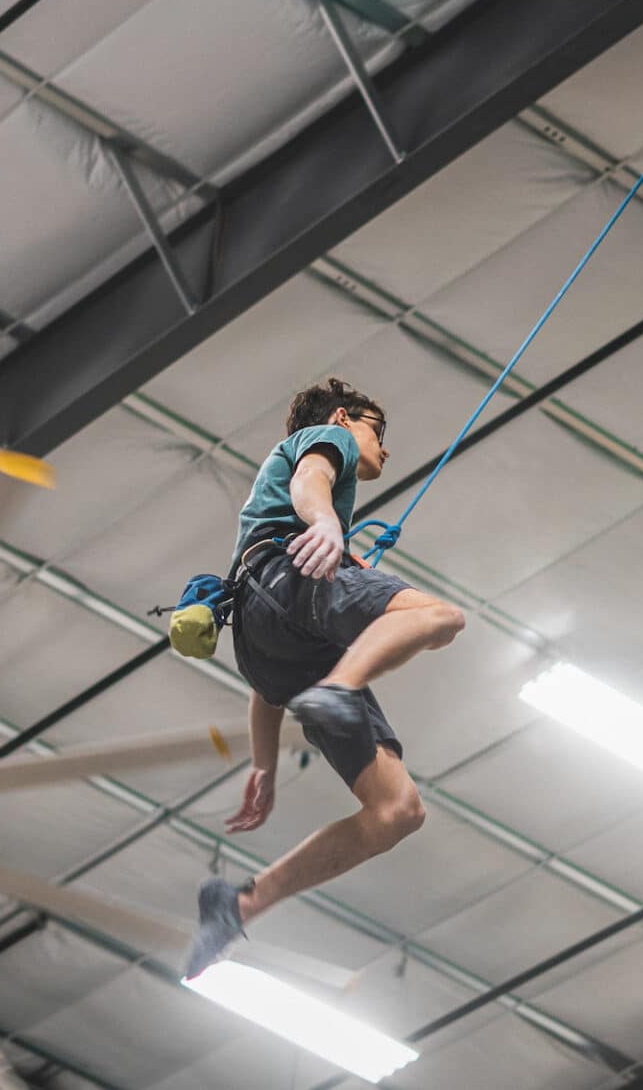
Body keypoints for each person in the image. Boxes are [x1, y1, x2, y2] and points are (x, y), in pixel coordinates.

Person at [184, 379, 465, 979]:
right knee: (442, 617)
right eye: (377, 430)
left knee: (398, 811)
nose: (384, 448)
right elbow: (311, 478)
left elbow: (268, 682)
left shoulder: (273, 526)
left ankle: (240, 905)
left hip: (271, 644)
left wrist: (264, 765)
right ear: (342, 417)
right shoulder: (324, 439)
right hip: (287, 586)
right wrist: (328, 526)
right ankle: (339, 688)